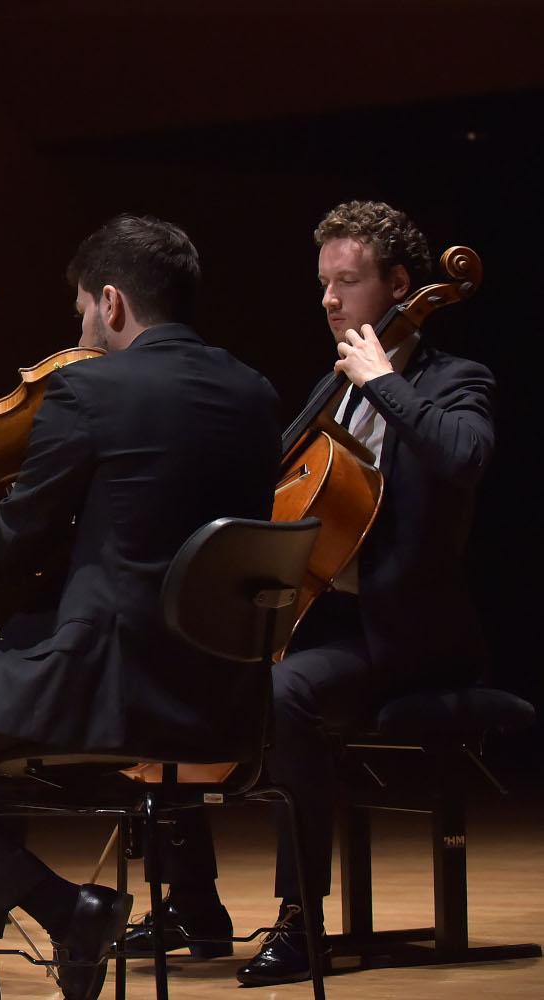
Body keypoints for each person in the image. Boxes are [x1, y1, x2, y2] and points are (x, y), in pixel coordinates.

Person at [0, 216, 281, 1000]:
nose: (80, 332)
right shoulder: (255, 393)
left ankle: (67, 910)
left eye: (81, 312)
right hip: (225, 699)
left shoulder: (90, 390)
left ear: (111, 301)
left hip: (106, 687)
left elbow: (6, 548)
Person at [117, 200, 497, 986]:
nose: (329, 299)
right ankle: (193, 903)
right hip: (326, 621)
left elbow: (463, 457)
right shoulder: (334, 387)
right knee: (160, 668)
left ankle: (301, 921)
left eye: (347, 282)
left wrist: (383, 381)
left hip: (404, 634)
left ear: (400, 285)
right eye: (323, 282)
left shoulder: (451, 380)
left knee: (286, 692)